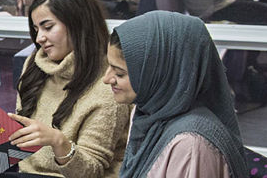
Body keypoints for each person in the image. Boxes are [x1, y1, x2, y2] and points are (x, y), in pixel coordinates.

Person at [1, 0, 132, 178]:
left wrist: (58, 142)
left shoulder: (109, 85)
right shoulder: (35, 65)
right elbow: (24, 140)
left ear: (78, 24)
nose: (39, 38)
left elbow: (91, 171)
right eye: (36, 29)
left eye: (48, 27)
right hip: (25, 172)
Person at [104, 11, 246, 177]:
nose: (106, 79)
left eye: (119, 73)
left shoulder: (192, 146)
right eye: (109, 66)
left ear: (159, 74)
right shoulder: (150, 113)